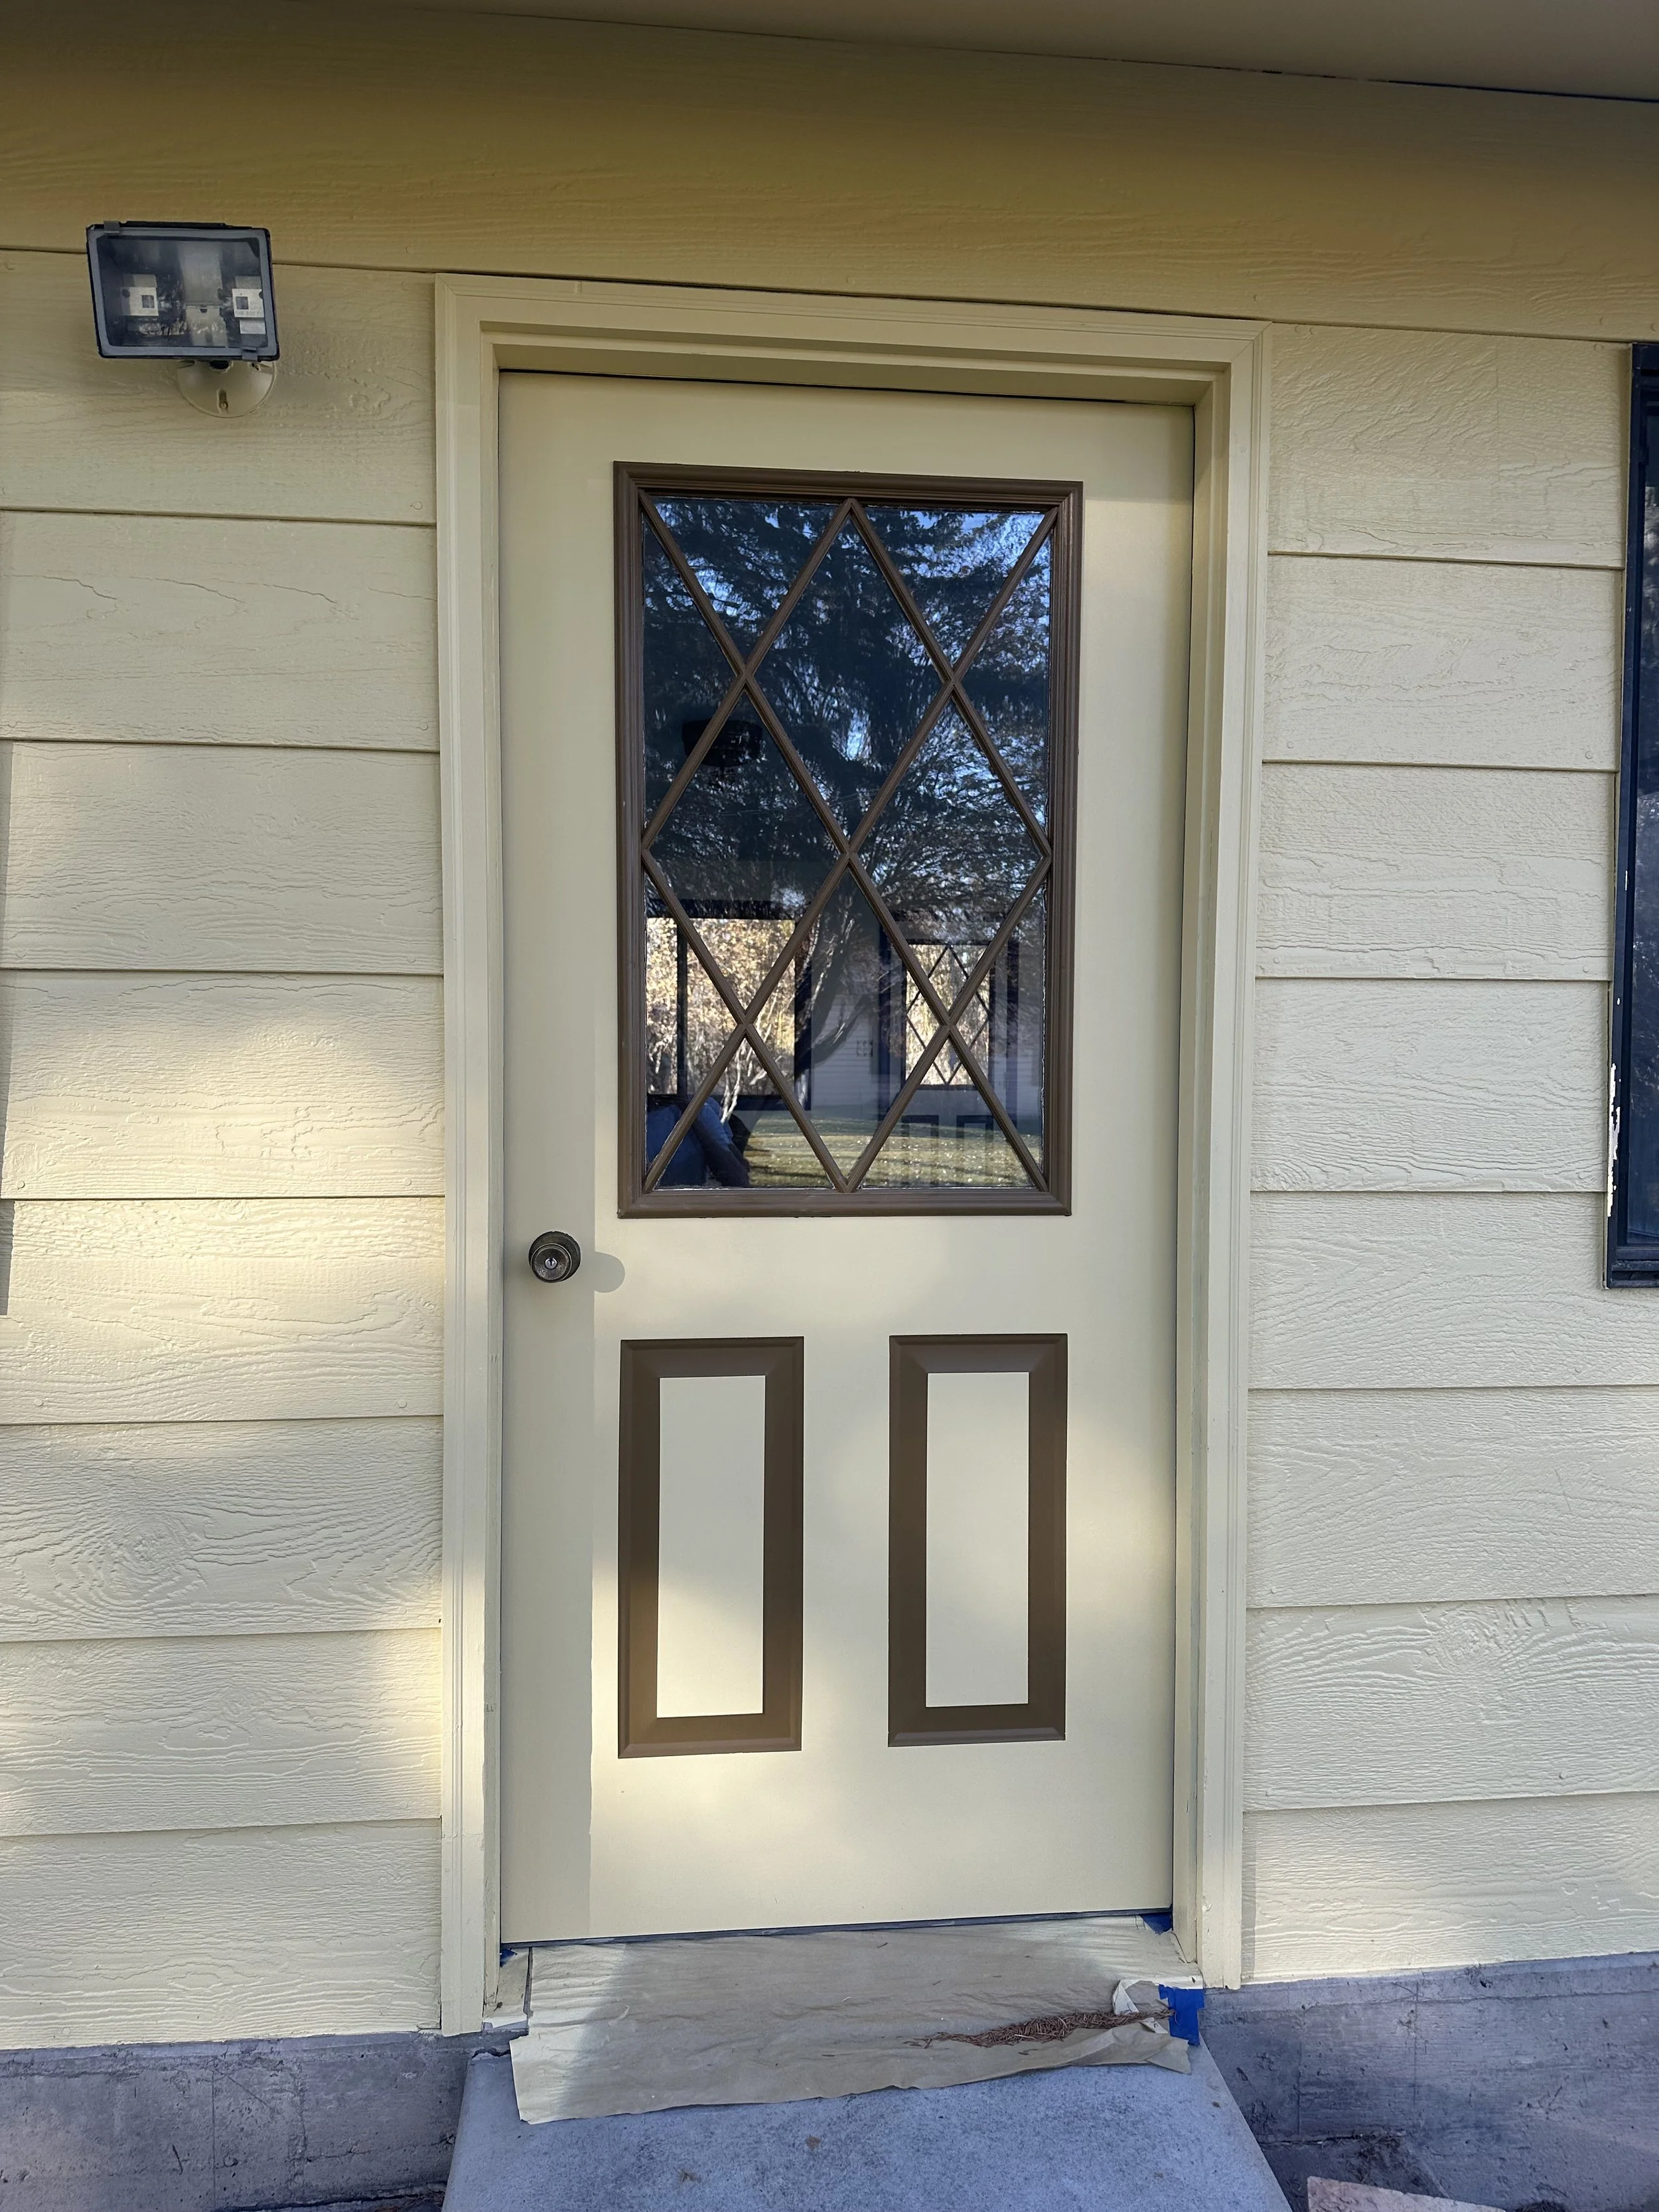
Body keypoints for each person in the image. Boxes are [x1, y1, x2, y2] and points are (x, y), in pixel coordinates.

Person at [644, 1097, 751, 1186]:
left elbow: (739, 1176)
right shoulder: (701, 1110)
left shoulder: (701, 1109)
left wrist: (692, 1119)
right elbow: (739, 1178)